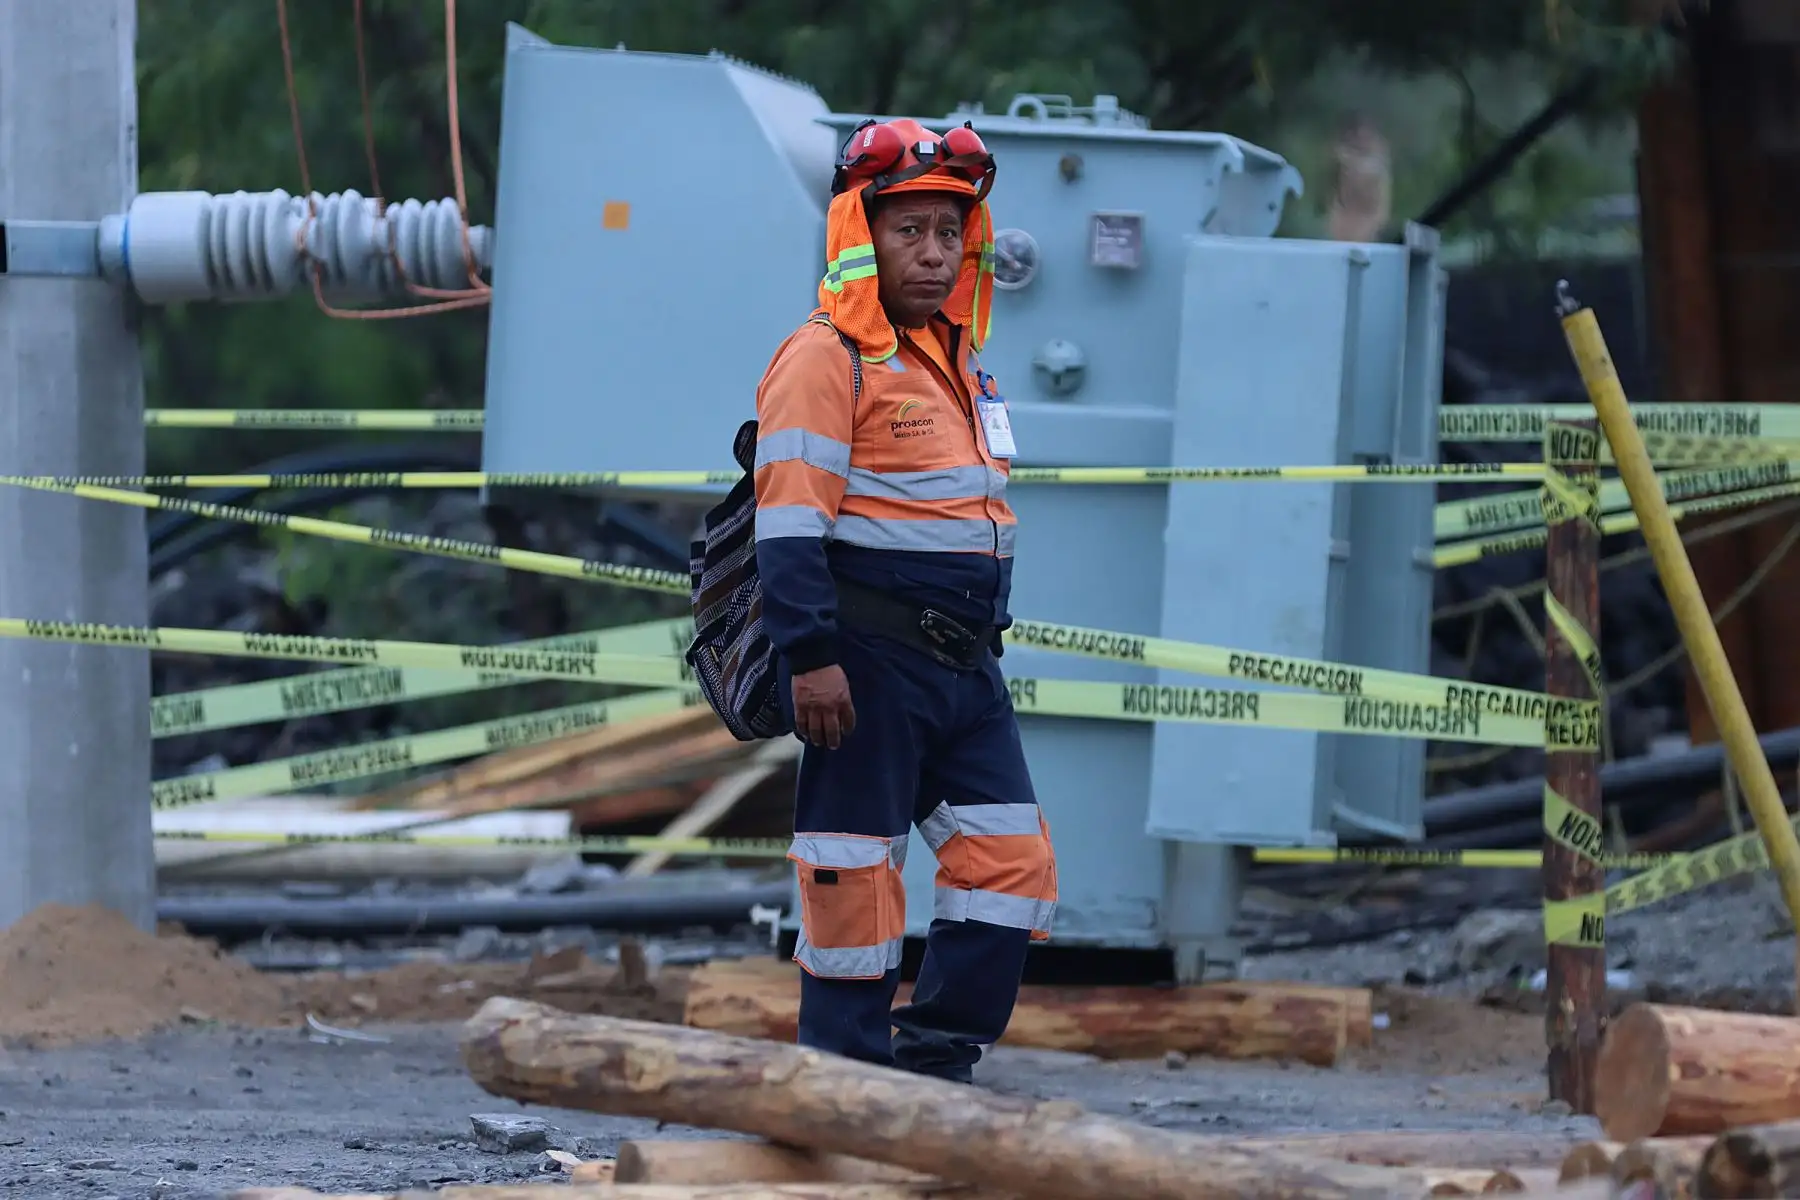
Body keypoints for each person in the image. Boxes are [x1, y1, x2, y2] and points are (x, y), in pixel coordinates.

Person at [747, 117, 1059, 1084]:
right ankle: (841, 1084)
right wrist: (810, 658)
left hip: (966, 666)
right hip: (866, 665)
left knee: (1011, 867)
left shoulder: (952, 352)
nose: (932, 253)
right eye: (908, 230)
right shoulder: (824, 356)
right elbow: (789, 524)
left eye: (947, 232)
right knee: (852, 875)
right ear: (860, 235)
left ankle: (930, 1073)